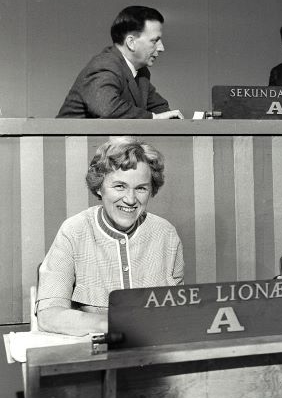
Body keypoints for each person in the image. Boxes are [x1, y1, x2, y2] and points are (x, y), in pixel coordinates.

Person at [36, 137, 184, 335]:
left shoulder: (166, 234)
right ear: (99, 187)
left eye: (141, 188)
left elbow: (177, 314)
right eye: (120, 186)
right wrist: (114, 324)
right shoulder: (74, 231)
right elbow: (49, 315)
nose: (130, 200)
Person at [57, 6, 184, 119]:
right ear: (131, 42)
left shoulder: (140, 72)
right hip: (71, 144)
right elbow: (107, 108)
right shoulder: (105, 65)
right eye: (154, 41)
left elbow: (160, 107)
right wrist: (154, 118)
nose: (161, 48)